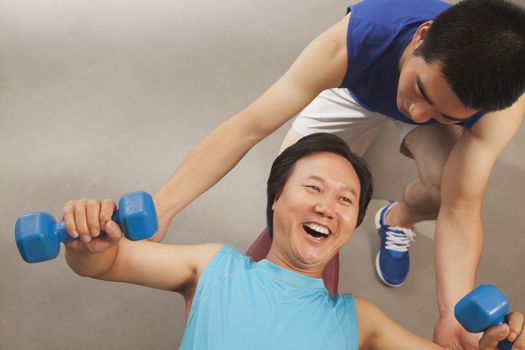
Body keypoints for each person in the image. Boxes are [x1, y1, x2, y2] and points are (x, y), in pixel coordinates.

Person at [72, 0, 525, 347]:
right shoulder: (356, 39)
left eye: (441, 112)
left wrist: (451, 311)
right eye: (419, 92)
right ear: (421, 36)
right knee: (300, 179)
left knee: (442, 189)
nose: (415, 111)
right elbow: (248, 128)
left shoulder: (493, 106)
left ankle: (396, 220)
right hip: (358, 89)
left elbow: (461, 206)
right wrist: (166, 204)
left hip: (436, 94)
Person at [62, 133, 525, 350]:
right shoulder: (211, 267)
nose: (328, 205)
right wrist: (90, 242)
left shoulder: (361, 320)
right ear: (276, 200)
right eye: (313, 188)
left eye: (346, 199)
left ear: (349, 225)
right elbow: (105, 262)